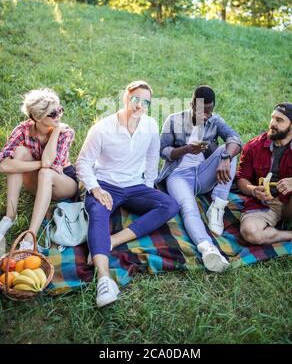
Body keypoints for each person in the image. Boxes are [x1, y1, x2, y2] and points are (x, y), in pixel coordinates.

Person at [76, 81, 179, 308]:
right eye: (135, 99)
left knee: (170, 205)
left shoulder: (151, 125)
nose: (139, 105)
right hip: (106, 185)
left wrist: (149, 186)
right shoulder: (103, 128)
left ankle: (112, 240)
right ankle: (104, 279)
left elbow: (153, 159)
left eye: (145, 102)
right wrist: (96, 189)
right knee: (98, 214)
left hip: (135, 186)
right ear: (126, 97)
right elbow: (83, 162)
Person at [156, 85, 242, 272]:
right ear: (191, 105)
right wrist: (187, 149)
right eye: (201, 111)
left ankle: (217, 205)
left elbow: (235, 138)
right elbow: (162, 151)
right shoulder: (174, 120)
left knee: (227, 150)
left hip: (202, 174)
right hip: (178, 176)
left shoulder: (215, 120)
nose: (205, 116)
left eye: (209, 112)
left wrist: (226, 158)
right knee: (189, 208)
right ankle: (207, 248)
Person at [0, 88, 78, 250]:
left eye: (59, 110)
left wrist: (56, 130)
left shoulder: (65, 132)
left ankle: (30, 237)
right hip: (38, 180)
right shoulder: (23, 130)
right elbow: (3, 165)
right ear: (37, 117)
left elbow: (51, 163)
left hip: (63, 183)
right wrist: (38, 164)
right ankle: (10, 216)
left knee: (45, 172)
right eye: (53, 113)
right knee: (20, 153)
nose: (59, 115)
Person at [236, 102, 292, 245]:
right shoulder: (253, 147)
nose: (272, 123)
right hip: (266, 204)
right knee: (250, 233)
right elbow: (241, 178)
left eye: (279, 120)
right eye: (273, 117)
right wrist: (253, 190)